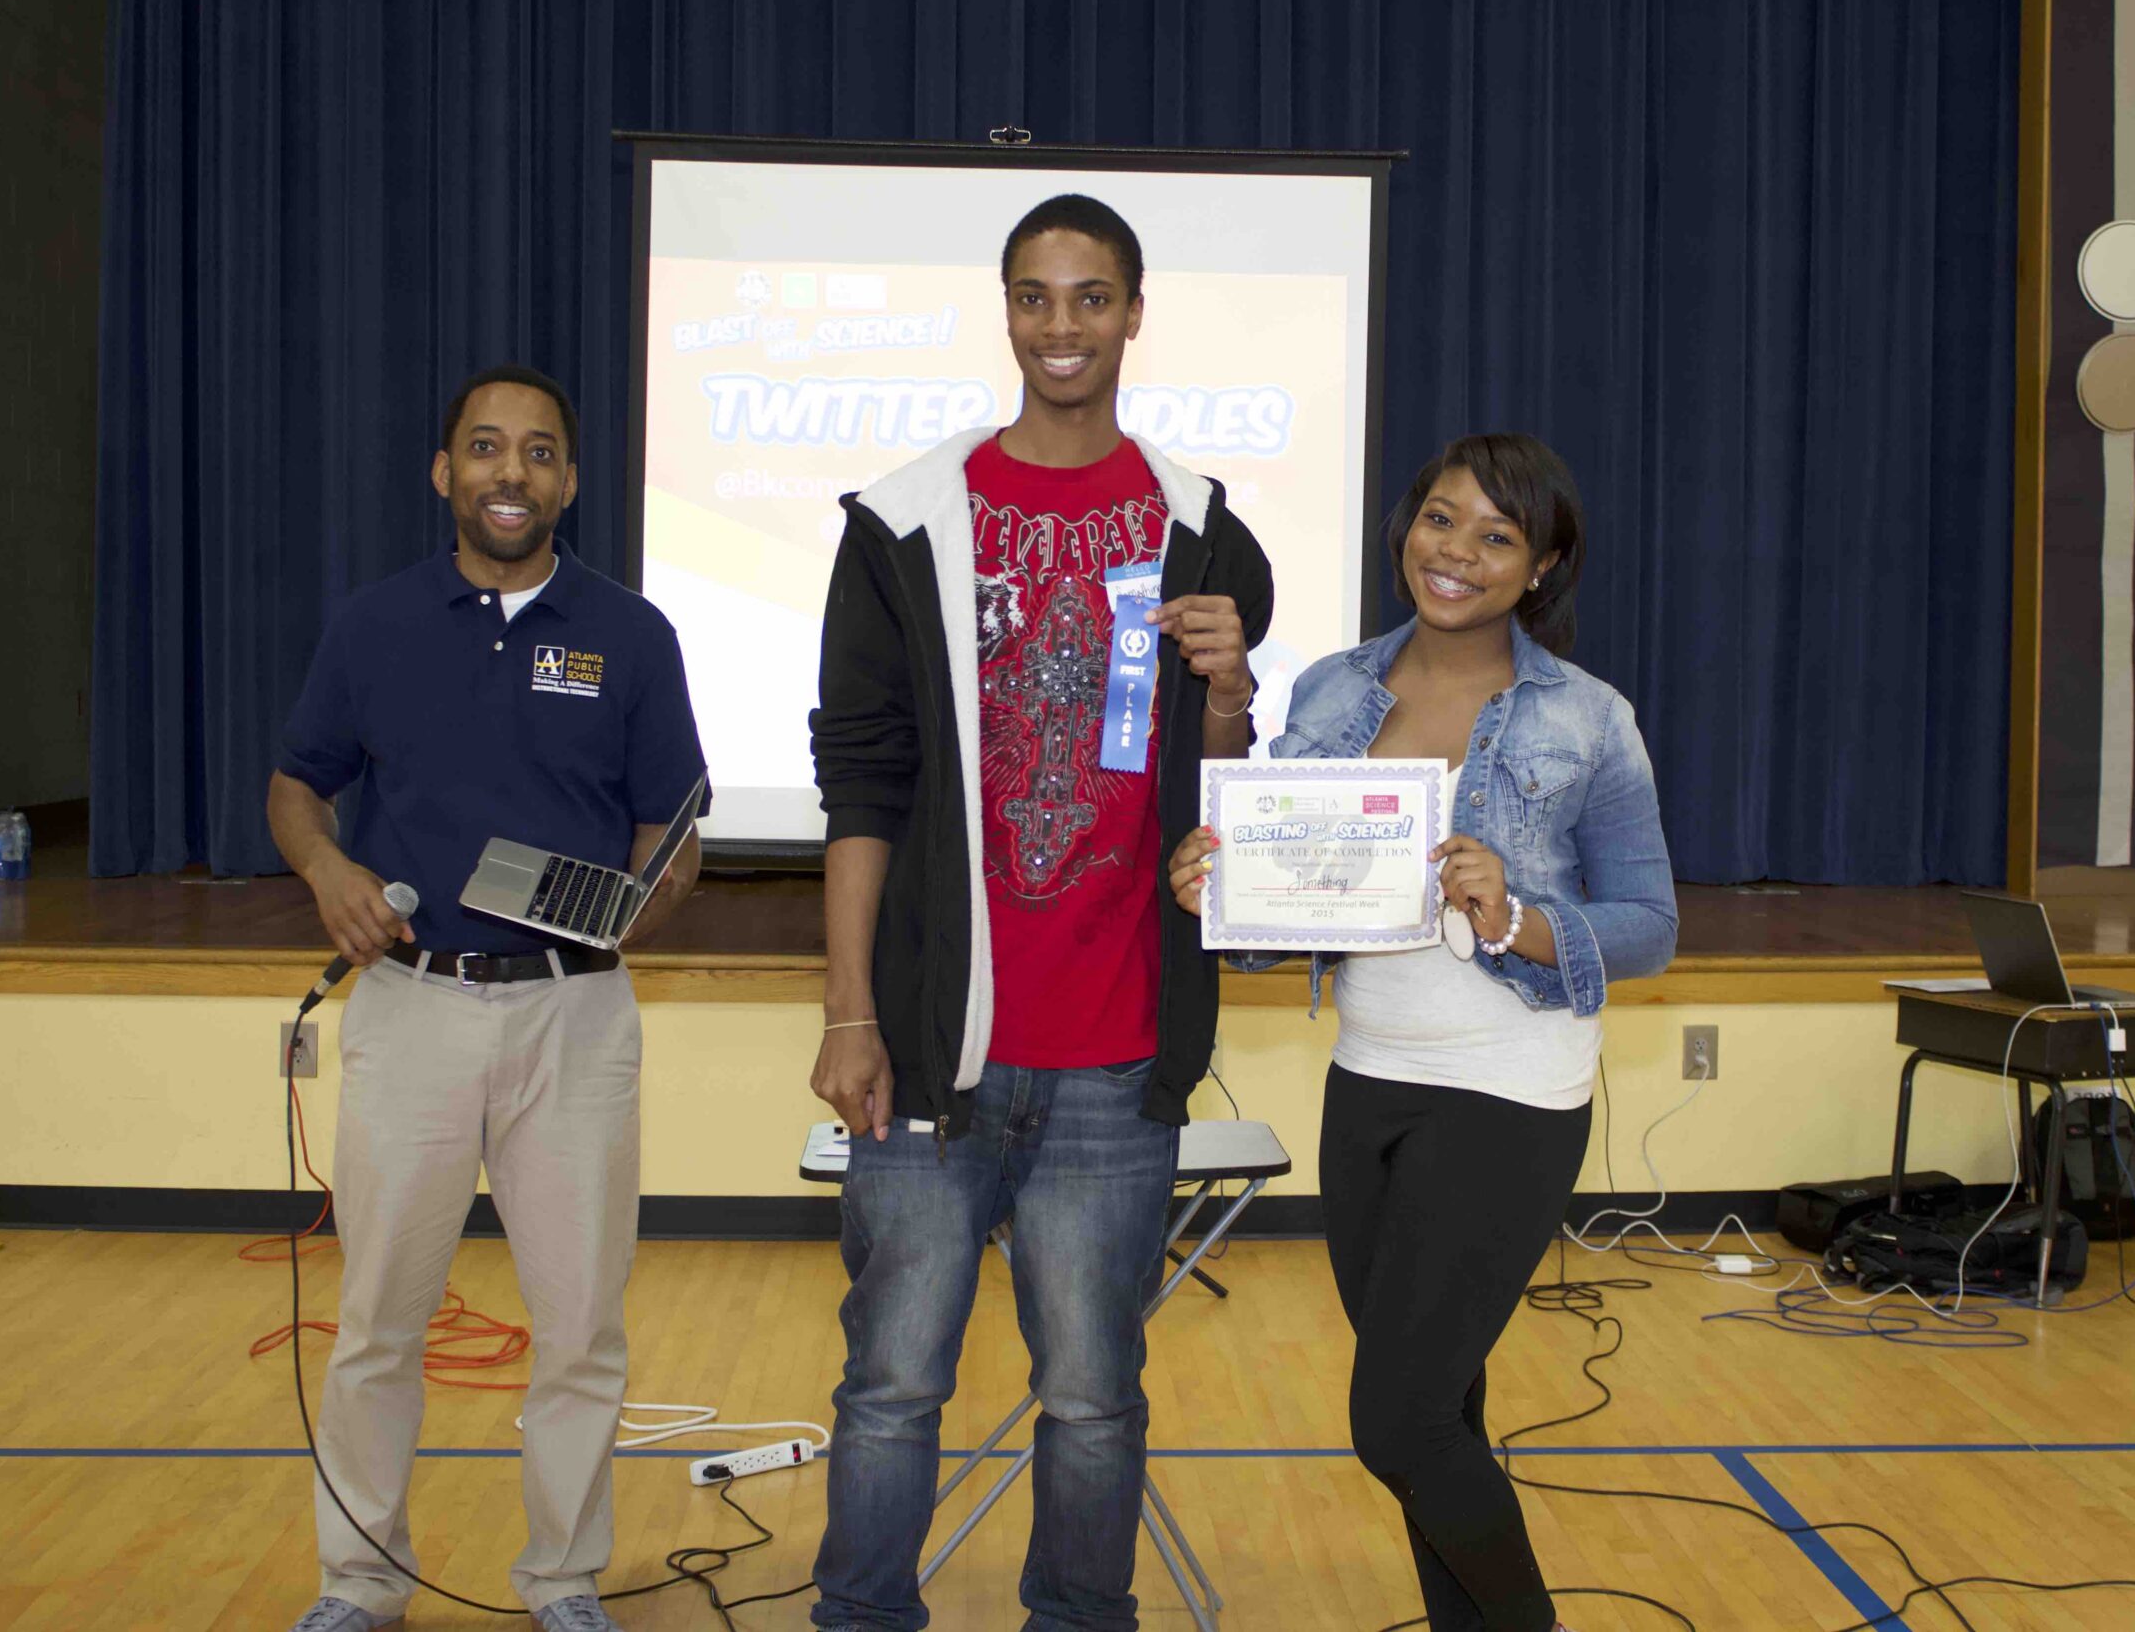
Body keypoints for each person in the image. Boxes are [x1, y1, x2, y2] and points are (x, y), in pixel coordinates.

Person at [806, 193, 1274, 1631]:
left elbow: (1220, 789)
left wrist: (1233, 691)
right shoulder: (904, 525)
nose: (1060, 324)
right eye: (1033, 295)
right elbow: (863, 787)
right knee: (891, 1386)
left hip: (1117, 1054)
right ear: (1004, 311)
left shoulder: (1204, 531)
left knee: (1091, 1397)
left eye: (1089, 296)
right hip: (937, 1050)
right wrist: (850, 1010)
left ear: (1135, 311)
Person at [1170, 434, 1677, 1632]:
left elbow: (1649, 927)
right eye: (1440, 520)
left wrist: (1519, 916)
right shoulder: (1334, 690)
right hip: (1368, 1086)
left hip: (1512, 1091)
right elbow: (1273, 904)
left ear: (1542, 566)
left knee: (1391, 1420)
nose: (1457, 553)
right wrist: (1220, 881)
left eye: (1497, 536)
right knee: (1440, 1412)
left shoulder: (1589, 720)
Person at [269, 366, 707, 1632]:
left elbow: (673, 831)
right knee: (374, 1327)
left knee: (579, 1330)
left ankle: (562, 1580)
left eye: (537, 453)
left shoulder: (632, 634)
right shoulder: (373, 624)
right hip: (411, 1008)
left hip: (576, 1019)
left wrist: (647, 896)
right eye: (484, 449)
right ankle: (358, 1583)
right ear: (443, 473)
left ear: (569, 480)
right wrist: (327, 866)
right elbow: (298, 783)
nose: (509, 473)